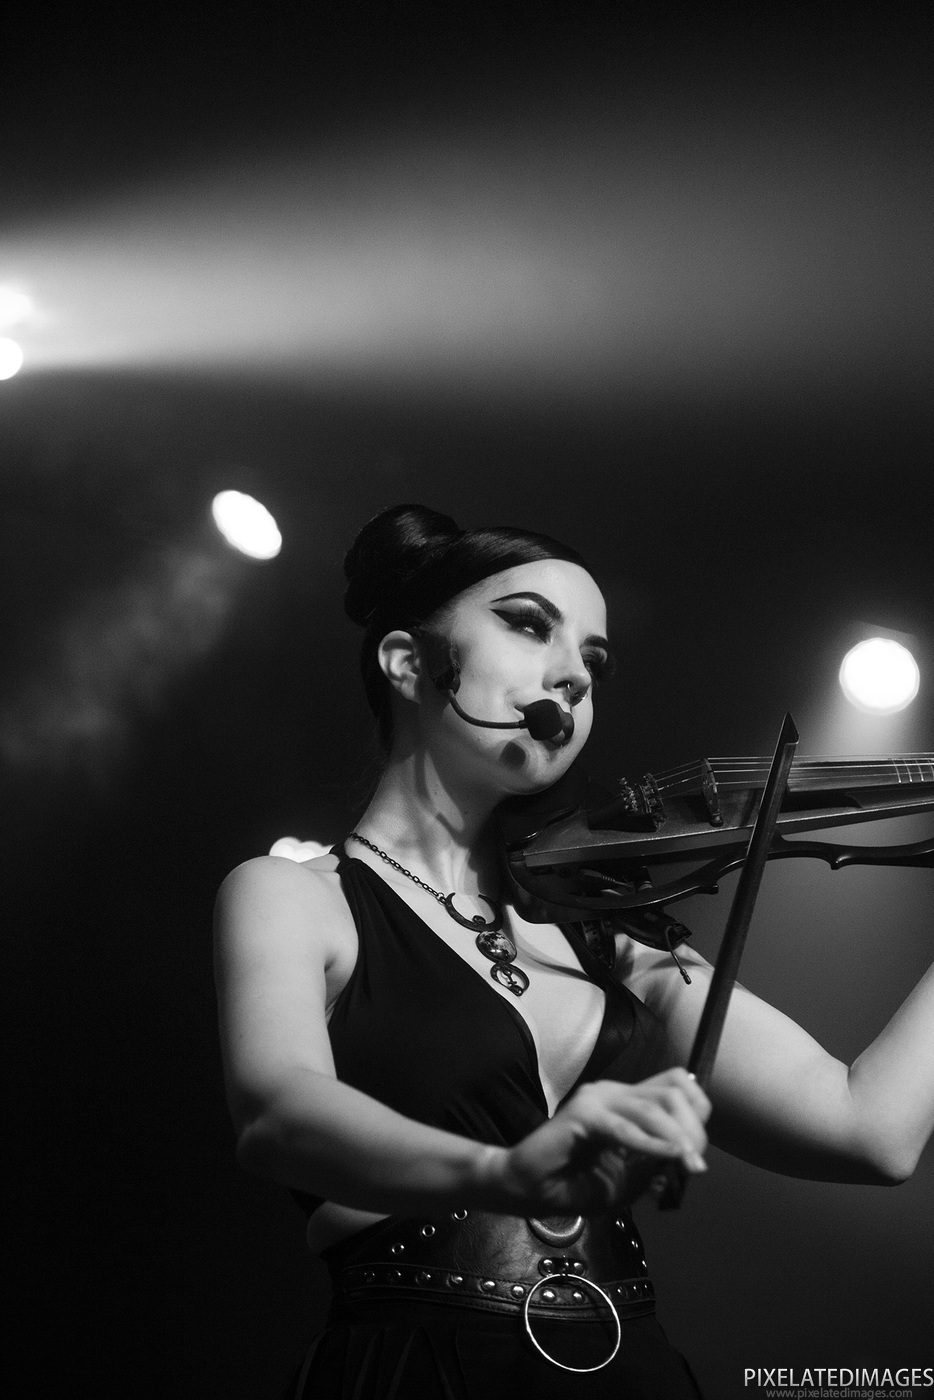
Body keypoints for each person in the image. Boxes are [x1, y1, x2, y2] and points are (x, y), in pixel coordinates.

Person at [214, 504, 934, 1398]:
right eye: (528, 625)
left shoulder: (610, 942)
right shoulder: (294, 896)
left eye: (595, 660)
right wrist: (504, 1173)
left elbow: (873, 1131)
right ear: (407, 662)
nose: (575, 676)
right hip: (420, 1366)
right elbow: (277, 1118)